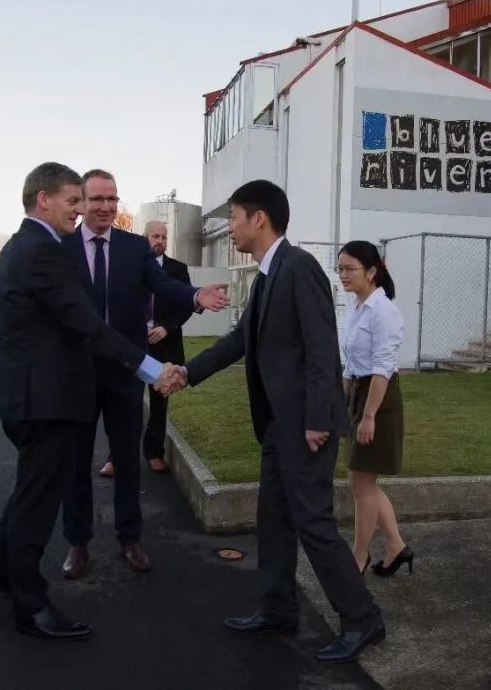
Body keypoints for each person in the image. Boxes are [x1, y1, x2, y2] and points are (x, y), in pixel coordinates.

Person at [166, 180, 385, 664]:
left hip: (306, 425)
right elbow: (240, 340)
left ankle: (362, 617)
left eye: (236, 218)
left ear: (259, 218)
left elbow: (322, 348)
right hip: (277, 426)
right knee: (275, 520)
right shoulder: (268, 274)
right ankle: (279, 608)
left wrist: (316, 420)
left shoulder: (299, 267)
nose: (231, 228)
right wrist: (188, 372)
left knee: (313, 523)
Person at [0, 162, 181, 641]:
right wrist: (151, 368)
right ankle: (30, 605)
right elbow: (84, 323)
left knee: (29, 491)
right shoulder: (44, 251)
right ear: (43, 199)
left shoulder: (23, 245)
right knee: (37, 505)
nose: (81, 209)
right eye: (73, 200)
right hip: (44, 401)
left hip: (28, 398)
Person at [59, 169, 227, 580]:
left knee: (128, 462)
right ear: (81, 202)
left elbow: (164, 285)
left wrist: (194, 296)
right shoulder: (60, 247)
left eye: (112, 199)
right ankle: (77, 544)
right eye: (97, 199)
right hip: (77, 374)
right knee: (76, 462)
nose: (105, 206)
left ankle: (130, 538)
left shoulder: (135, 249)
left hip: (125, 371)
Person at [336, 241, 413, 577]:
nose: (343, 275)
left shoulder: (384, 311)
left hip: (378, 401)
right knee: (360, 481)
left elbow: (382, 367)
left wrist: (368, 416)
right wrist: (343, 405)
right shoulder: (357, 306)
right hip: (359, 396)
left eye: (350, 268)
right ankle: (396, 546)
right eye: (340, 268)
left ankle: (360, 556)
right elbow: (350, 364)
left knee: (361, 484)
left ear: (372, 271)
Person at [141, 220, 193, 474]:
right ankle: (116, 456)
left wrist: (166, 328)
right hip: (134, 343)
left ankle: (154, 452)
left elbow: (185, 304)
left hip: (164, 343)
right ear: (145, 237)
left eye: (163, 236)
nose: (159, 241)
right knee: (123, 401)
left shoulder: (178, 269)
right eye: (154, 236)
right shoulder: (132, 266)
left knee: (159, 402)